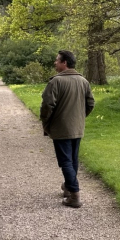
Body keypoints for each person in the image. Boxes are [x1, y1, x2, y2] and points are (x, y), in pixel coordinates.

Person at [40, 50, 95, 208]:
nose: (55, 63)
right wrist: (80, 117)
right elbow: (91, 103)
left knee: (65, 161)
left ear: (65, 63)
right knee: (73, 159)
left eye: (57, 60)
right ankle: (69, 188)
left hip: (61, 128)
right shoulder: (83, 81)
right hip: (77, 127)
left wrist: (46, 122)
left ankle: (75, 195)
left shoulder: (55, 82)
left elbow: (47, 106)